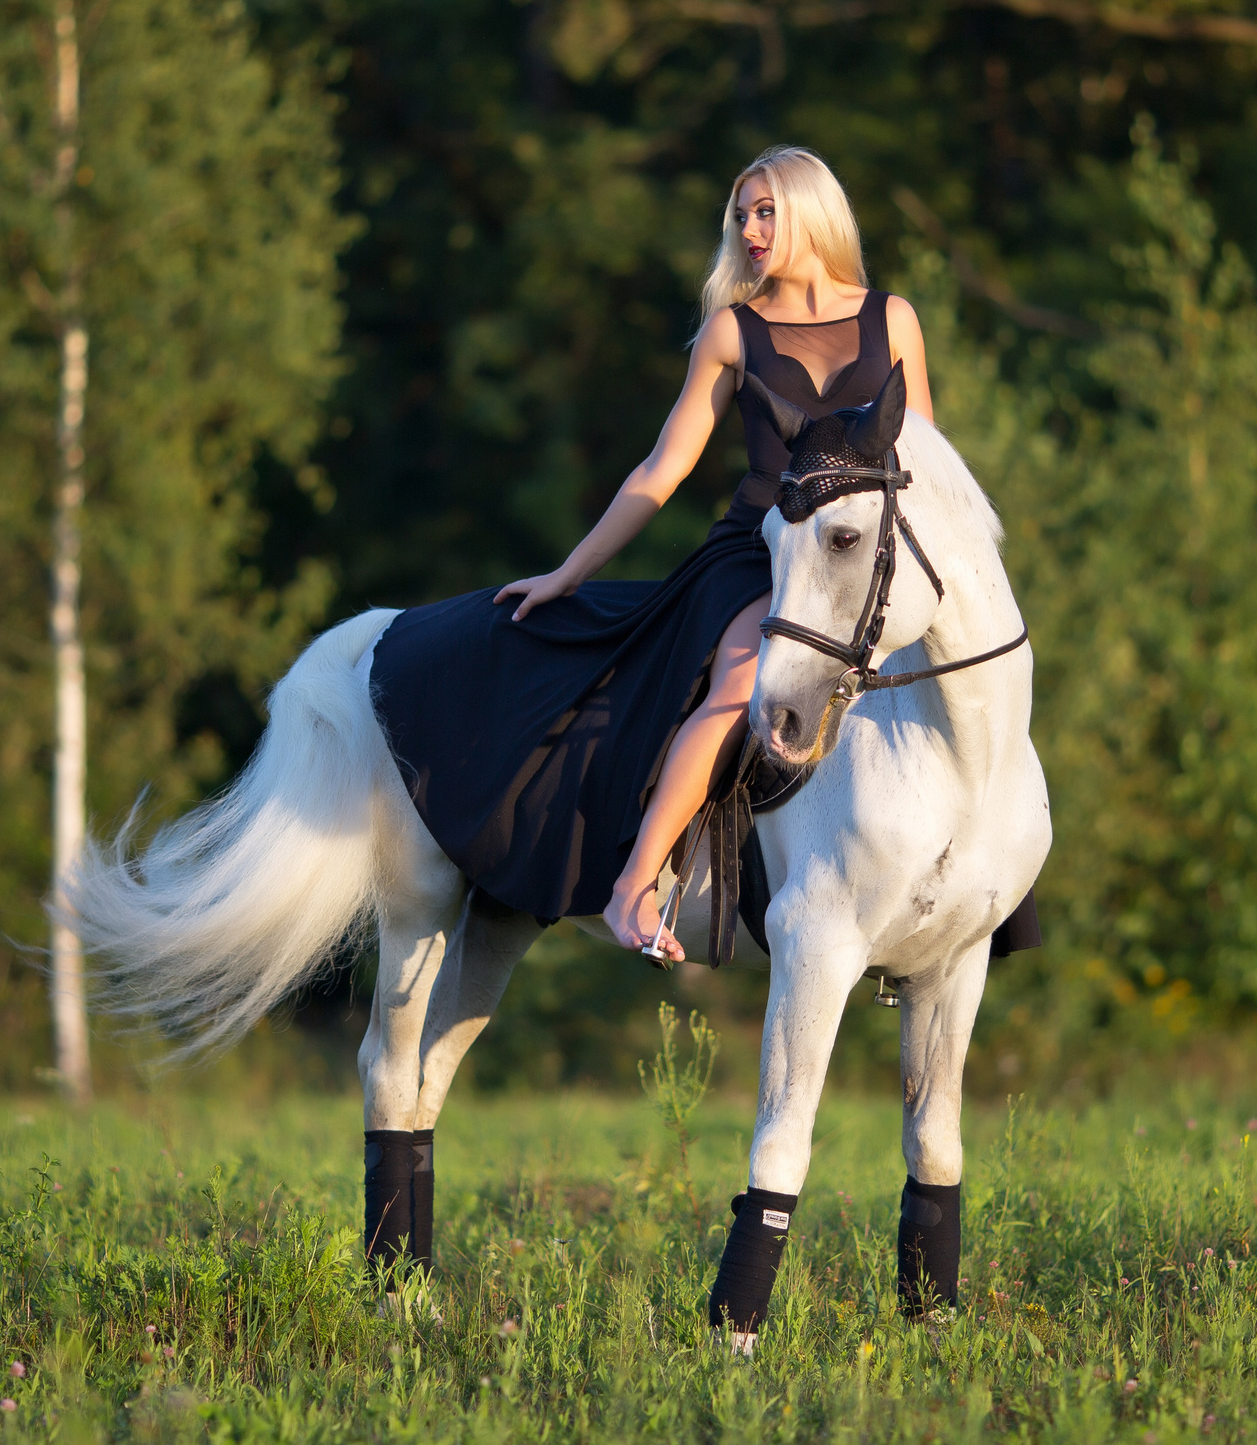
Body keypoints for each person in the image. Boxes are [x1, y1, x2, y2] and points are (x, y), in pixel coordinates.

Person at [367, 146, 933, 959]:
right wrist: (570, 571)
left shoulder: (894, 318)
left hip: (865, 556)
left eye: (765, 210)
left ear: (811, 211)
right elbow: (662, 468)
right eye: (741, 213)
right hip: (761, 549)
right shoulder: (732, 331)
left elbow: (928, 461)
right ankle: (635, 886)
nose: (749, 227)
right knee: (744, 681)